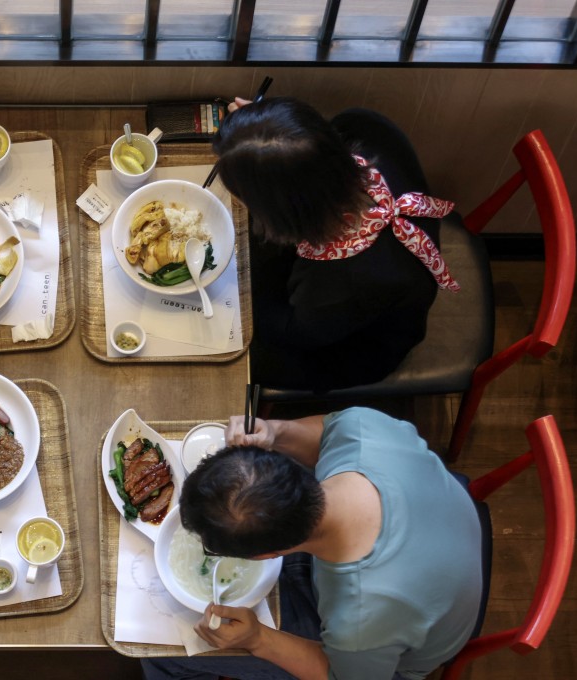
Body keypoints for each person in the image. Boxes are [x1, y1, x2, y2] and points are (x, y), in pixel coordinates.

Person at [143, 407, 482, 680]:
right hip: (444, 533)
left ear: (265, 556)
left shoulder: (361, 620)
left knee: (164, 659)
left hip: (387, 659)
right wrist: (275, 431)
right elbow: (328, 434)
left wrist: (258, 639)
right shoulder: (363, 431)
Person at [213, 97, 459, 390]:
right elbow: (300, 148)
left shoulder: (348, 281)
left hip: (354, 343)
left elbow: (295, 332)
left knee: (229, 350)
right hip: (337, 292)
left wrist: (221, 294)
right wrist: (258, 133)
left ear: (280, 218)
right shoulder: (364, 127)